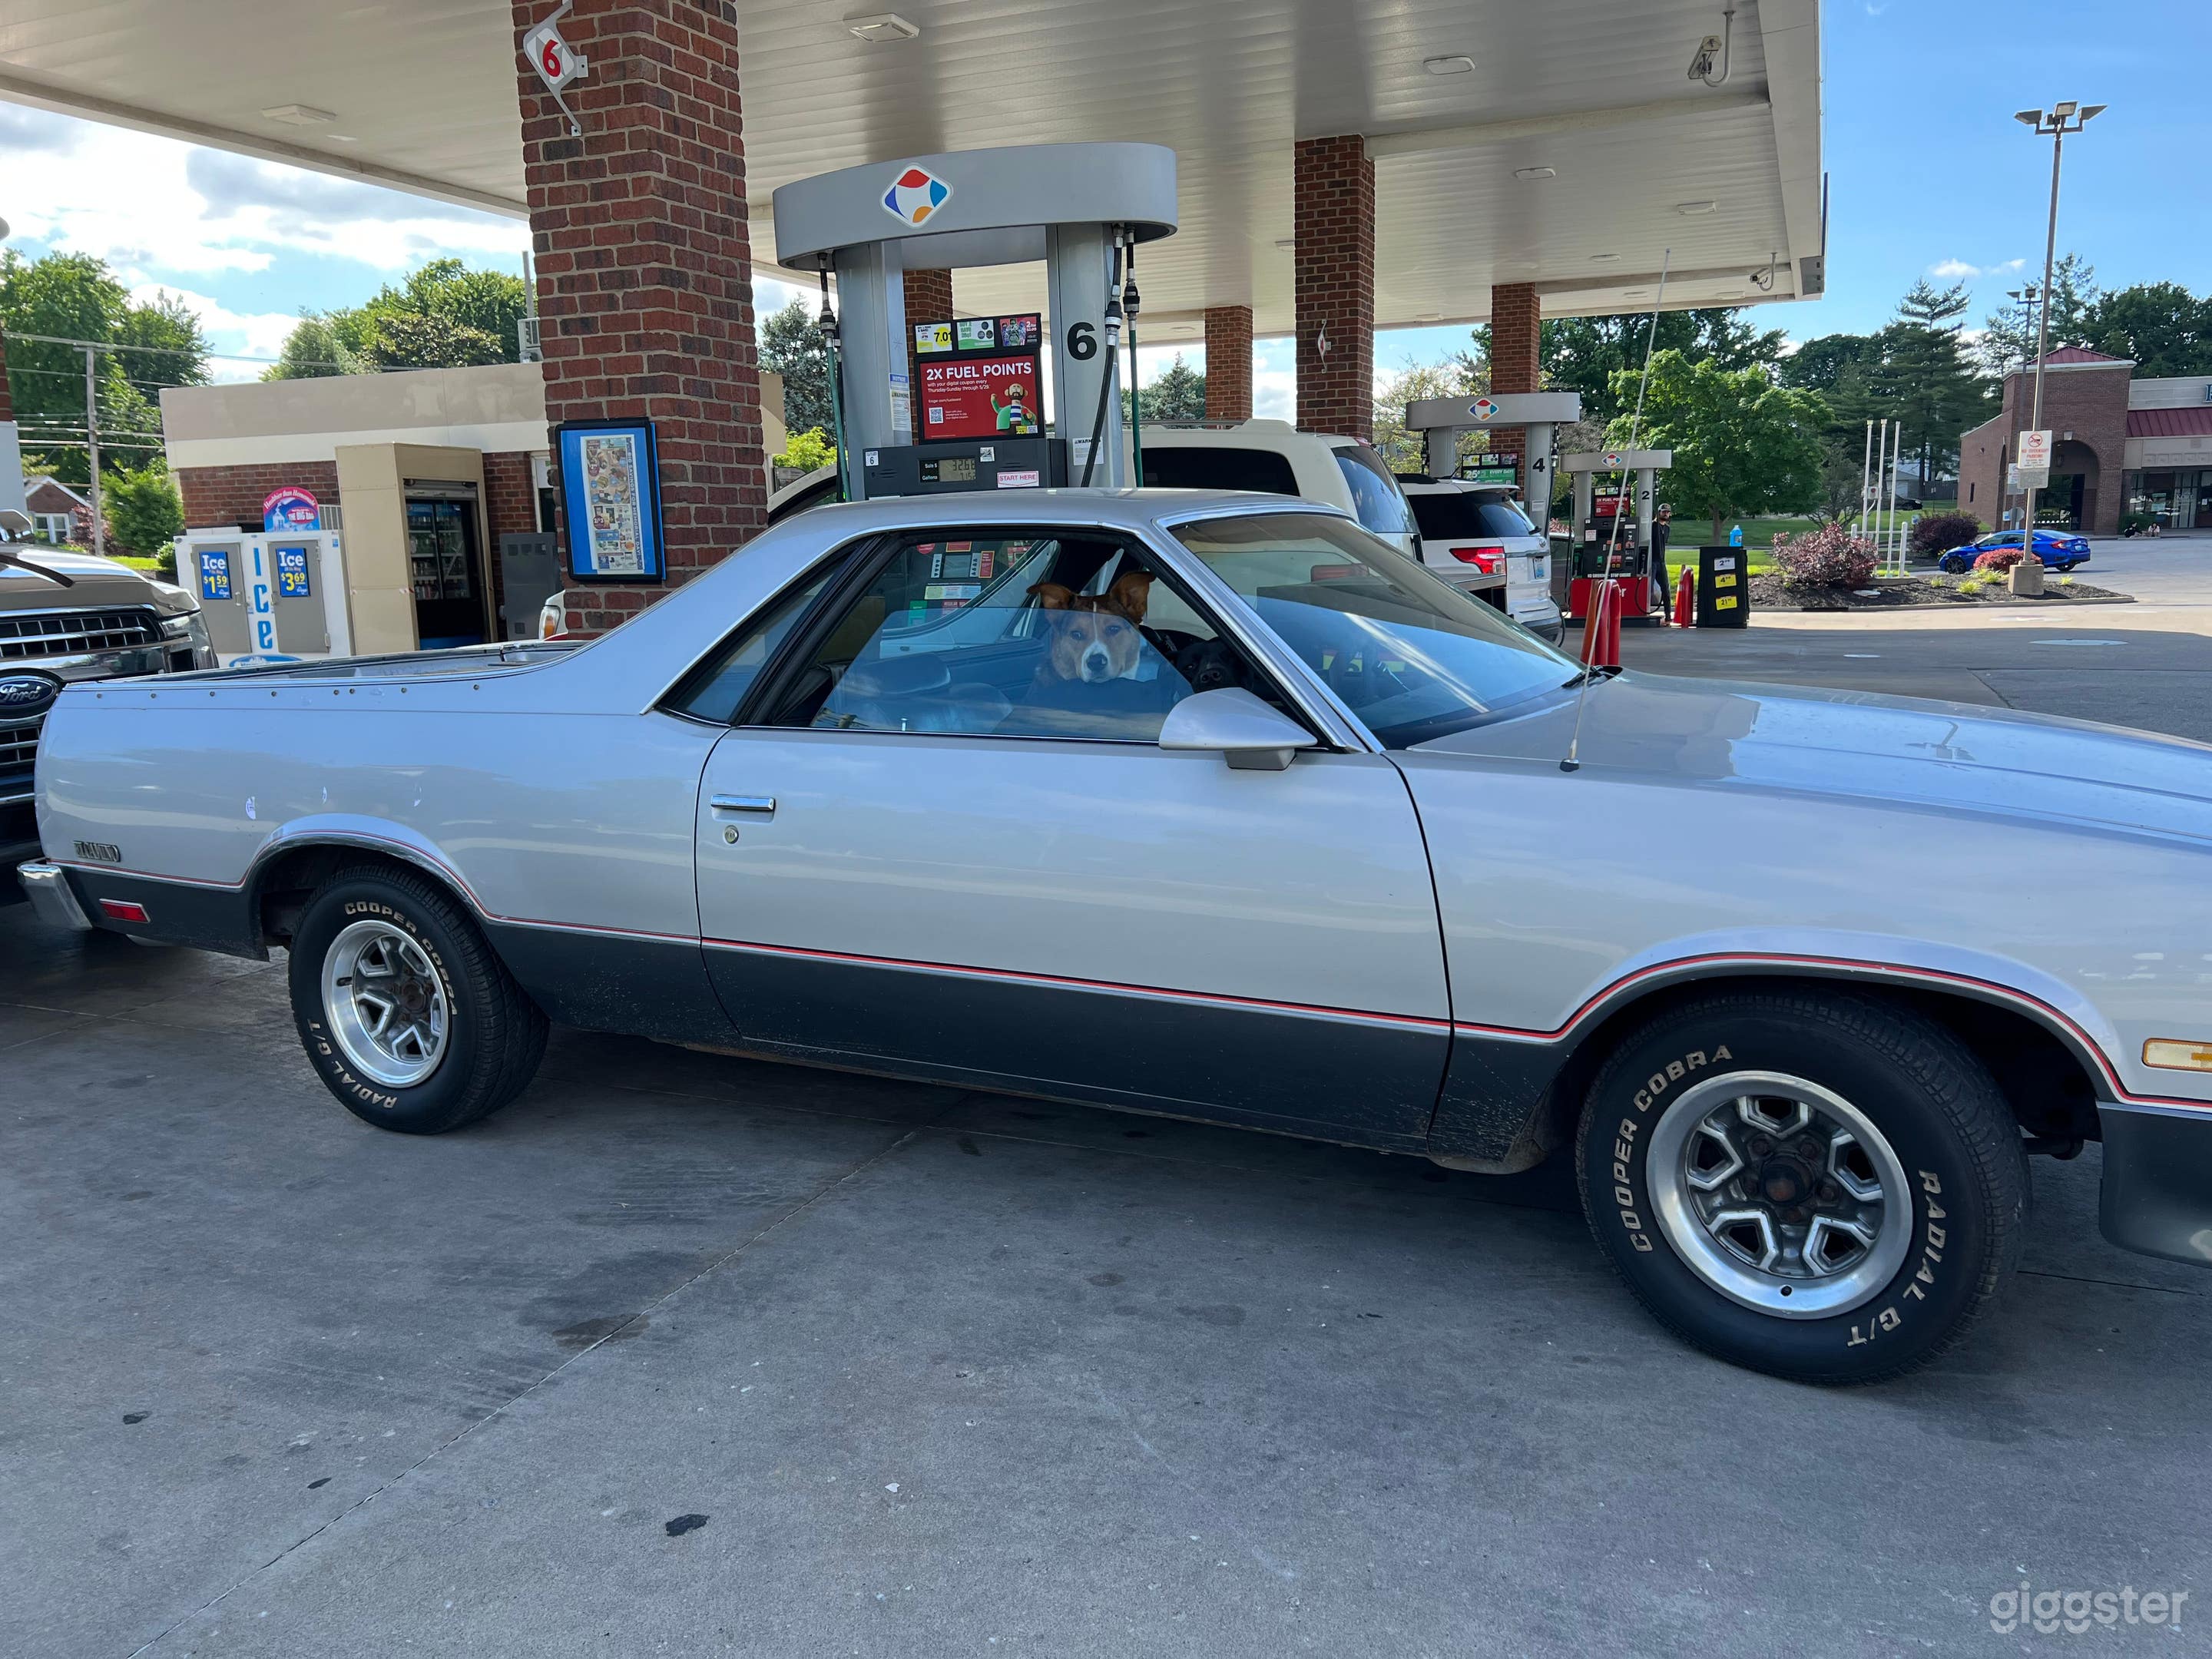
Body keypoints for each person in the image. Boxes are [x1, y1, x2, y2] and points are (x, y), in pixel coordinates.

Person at [1650, 504, 1674, 615]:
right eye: (1664, 512)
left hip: (1661, 562)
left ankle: (1668, 616)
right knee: (1648, 589)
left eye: (1668, 512)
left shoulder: (1667, 528)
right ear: (1659, 512)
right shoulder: (1652, 526)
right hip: (1652, 561)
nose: (1666, 514)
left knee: (1666, 590)